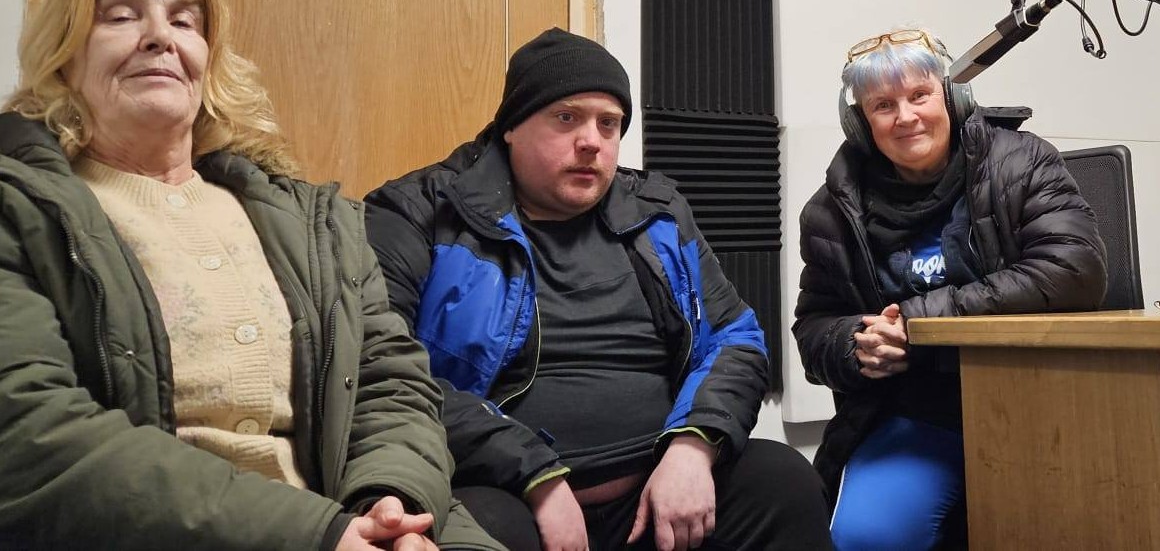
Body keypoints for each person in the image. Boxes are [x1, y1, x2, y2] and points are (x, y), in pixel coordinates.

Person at [0, 0, 503, 551]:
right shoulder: (19, 207)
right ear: (63, 55)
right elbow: (30, 430)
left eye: (185, 21)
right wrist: (321, 535)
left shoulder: (311, 222)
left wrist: (391, 506)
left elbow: (390, 383)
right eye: (120, 16)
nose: (159, 36)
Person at [365, 28, 833, 551]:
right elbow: (386, 372)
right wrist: (534, 475)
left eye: (608, 124)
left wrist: (694, 443)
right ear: (511, 127)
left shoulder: (657, 213)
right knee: (474, 530)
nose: (591, 140)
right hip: (503, 489)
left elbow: (734, 338)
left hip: (655, 484)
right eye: (566, 118)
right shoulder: (419, 213)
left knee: (783, 482)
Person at [793, 27, 1107, 550]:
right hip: (914, 411)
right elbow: (814, 327)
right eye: (883, 105)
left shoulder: (1024, 160)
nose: (905, 116)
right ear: (861, 122)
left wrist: (918, 322)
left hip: (1034, 401)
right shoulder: (829, 211)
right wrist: (856, 344)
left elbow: (1075, 270)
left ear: (952, 97)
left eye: (919, 95)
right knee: (866, 539)